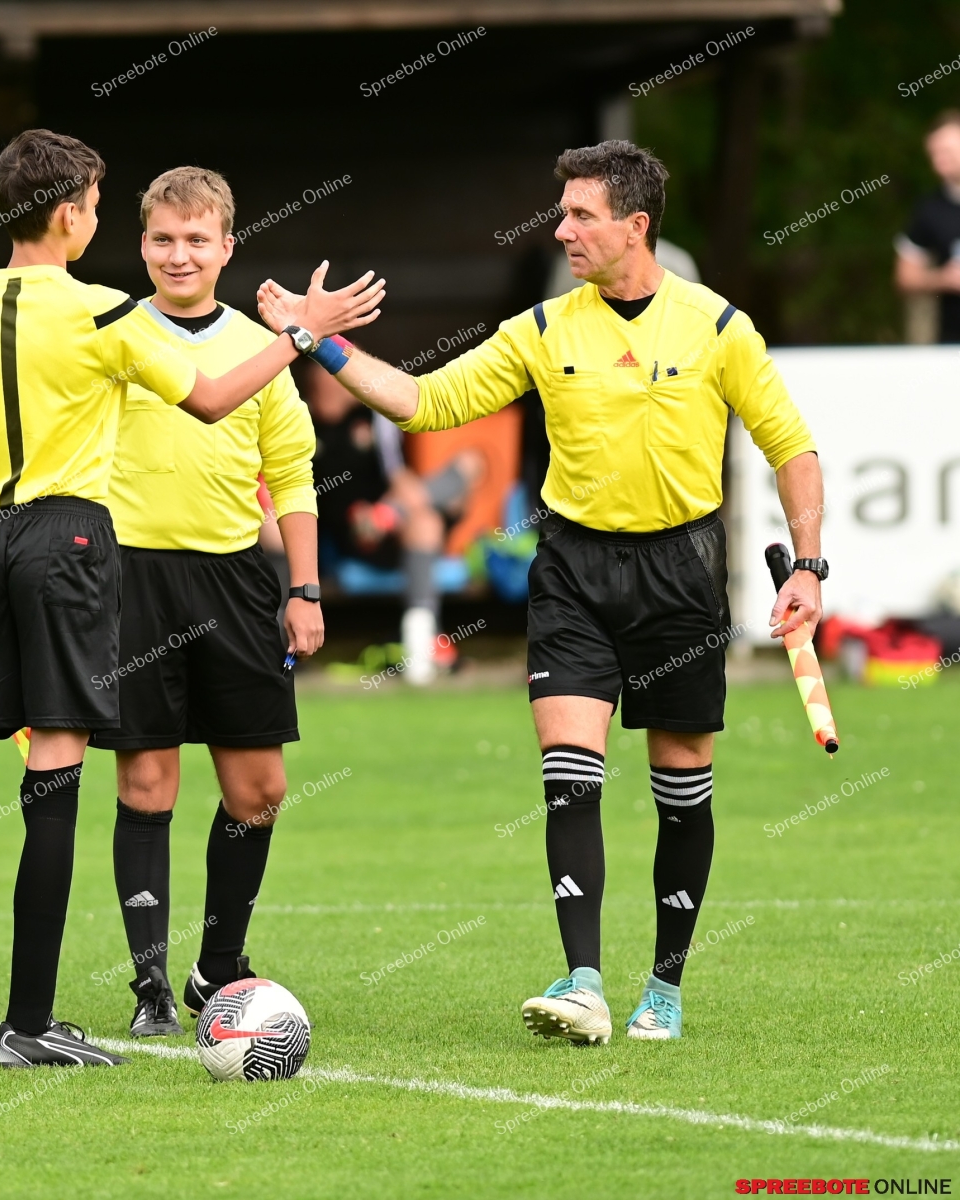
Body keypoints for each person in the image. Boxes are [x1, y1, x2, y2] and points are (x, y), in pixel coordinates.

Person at [0, 128, 382, 1070]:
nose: (99, 221)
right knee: (53, 787)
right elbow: (214, 398)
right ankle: (28, 1024)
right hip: (67, 545)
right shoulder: (105, 312)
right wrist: (298, 335)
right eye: (99, 207)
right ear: (70, 215)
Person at [260, 140, 825, 1044]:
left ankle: (664, 989)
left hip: (680, 573)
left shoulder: (718, 327)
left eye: (580, 216)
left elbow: (790, 447)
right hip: (571, 572)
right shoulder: (541, 327)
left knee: (682, 792)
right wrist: (312, 339)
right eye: (562, 213)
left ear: (634, 226)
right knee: (568, 780)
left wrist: (807, 564)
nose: (560, 230)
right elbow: (421, 401)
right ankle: (583, 982)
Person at [92, 167, 323, 1037]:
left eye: (196, 239)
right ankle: (149, 986)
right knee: (147, 784)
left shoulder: (259, 348)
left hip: (234, 581)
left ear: (227, 246)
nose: (178, 254)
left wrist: (303, 588)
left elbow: (292, 474)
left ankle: (216, 968)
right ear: (141, 245)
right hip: (130, 580)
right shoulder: (112, 333)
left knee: (259, 789)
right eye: (162, 238)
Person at [305, 362, 484, 683]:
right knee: (423, 519)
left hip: (393, 521)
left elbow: (398, 475)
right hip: (353, 533)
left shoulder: (373, 417)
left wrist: (398, 502)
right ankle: (424, 644)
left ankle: (419, 647)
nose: (337, 381)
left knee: (451, 488)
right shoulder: (302, 425)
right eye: (327, 375)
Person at [895, 109, 960, 344]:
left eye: (946, 151)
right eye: (933, 154)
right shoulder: (929, 210)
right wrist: (944, 278)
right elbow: (905, 276)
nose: (938, 161)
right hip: (953, 345)